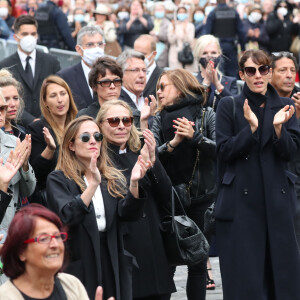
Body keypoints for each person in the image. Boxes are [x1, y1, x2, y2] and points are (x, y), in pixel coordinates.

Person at [215, 49, 300, 300]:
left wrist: (277, 129)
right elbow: (222, 151)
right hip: (242, 204)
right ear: (242, 75)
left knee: (282, 277)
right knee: (246, 279)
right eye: (251, 71)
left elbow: (291, 153)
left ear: (269, 72)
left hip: (276, 201)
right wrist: (250, 130)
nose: (258, 75)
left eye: (263, 69)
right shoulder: (229, 105)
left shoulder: (285, 106)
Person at [46, 116, 150, 300]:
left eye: (97, 136)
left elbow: (128, 214)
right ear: (71, 145)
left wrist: (134, 183)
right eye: (85, 137)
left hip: (111, 257)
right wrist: (92, 184)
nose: (93, 141)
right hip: (81, 257)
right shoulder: (58, 178)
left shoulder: (111, 176)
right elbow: (68, 215)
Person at [97, 100, 176, 300]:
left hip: (153, 244)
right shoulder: (97, 160)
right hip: (124, 245)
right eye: (114, 121)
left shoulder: (138, 151)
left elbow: (167, 195)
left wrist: (153, 161)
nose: (122, 125)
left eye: (127, 120)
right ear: (100, 125)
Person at [151, 69, 216, 300]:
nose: (158, 92)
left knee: (197, 263)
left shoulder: (206, 114)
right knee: (167, 262)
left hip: (200, 198)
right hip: (168, 200)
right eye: (158, 87)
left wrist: (195, 137)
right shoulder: (158, 118)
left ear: (179, 87)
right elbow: (152, 157)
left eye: (163, 87)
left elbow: (219, 151)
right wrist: (174, 143)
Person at [0, 203, 91, 299]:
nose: (55, 245)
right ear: (21, 251)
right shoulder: (6, 296)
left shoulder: (72, 285)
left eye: (57, 236)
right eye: (43, 239)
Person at [0, 15, 61, 127]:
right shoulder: (5, 65)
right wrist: (31, 121)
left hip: (48, 124)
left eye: (33, 34)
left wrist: (43, 120)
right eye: (25, 34)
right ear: (16, 37)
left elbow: (58, 92)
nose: (29, 38)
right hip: (17, 125)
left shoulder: (51, 62)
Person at [0, 90, 36, 281]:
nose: (1, 113)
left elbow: (27, 191)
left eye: (3, 108)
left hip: (10, 232)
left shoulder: (14, 142)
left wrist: (24, 165)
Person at [27, 75, 77, 205]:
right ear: (45, 102)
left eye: (63, 93)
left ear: (69, 97)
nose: (60, 100)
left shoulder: (80, 124)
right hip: (54, 199)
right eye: (53, 96)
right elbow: (34, 175)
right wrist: (50, 149)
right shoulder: (37, 128)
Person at [269, 51, 300, 249]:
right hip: (271, 180)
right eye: (282, 70)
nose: (289, 75)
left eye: (292, 70)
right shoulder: (259, 102)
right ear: (269, 73)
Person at [57, 25, 104, 109]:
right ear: (79, 49)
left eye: (100, 44)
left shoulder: (113, 74)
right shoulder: (65, 76)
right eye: (90, 45)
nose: (96, 49)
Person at [194, 34, 238, 111]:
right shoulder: (191, 82)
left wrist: (217, 84)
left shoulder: (230, 82)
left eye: (213, 53)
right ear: (198, 56)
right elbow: (194, 108)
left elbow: (235, 107)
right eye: (204, 53)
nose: (209, 56)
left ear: (219, 54)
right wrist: (206, 83)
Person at [204, 0, 246, 77]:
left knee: (218, 73)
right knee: (232, 74)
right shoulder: (233, 12)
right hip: (231, 47)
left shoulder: (213, 13)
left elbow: (207, 34)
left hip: (217, 48)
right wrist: (243, 48)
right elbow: (242, 32)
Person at [167, 6, 197, 72]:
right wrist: (174, 30)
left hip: (187, 52)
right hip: (175, 53)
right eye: (180, 12)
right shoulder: (172, 25)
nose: (182, 14)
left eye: (184, 12)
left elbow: (190, 40)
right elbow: (170, 40)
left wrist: (185, 30)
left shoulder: (190, 25)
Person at [134, 34, 163, 101]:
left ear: (154, 54)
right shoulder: (127, 72)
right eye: (136, 53)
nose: (139, 57)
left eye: (143, 54)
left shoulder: (162, 77)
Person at [0, 69, 26, 140]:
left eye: (15, 98)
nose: (13, 104)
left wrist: (49, 148)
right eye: (6, 99)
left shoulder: (22, 131)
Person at [149, 1, 170, 69]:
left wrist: (156, 34)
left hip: (162, 49)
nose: (159, 11)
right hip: (150, 47)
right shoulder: (150, 20)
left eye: (161, 9)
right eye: (157, 9)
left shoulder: (167, 22)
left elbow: (167, 36)